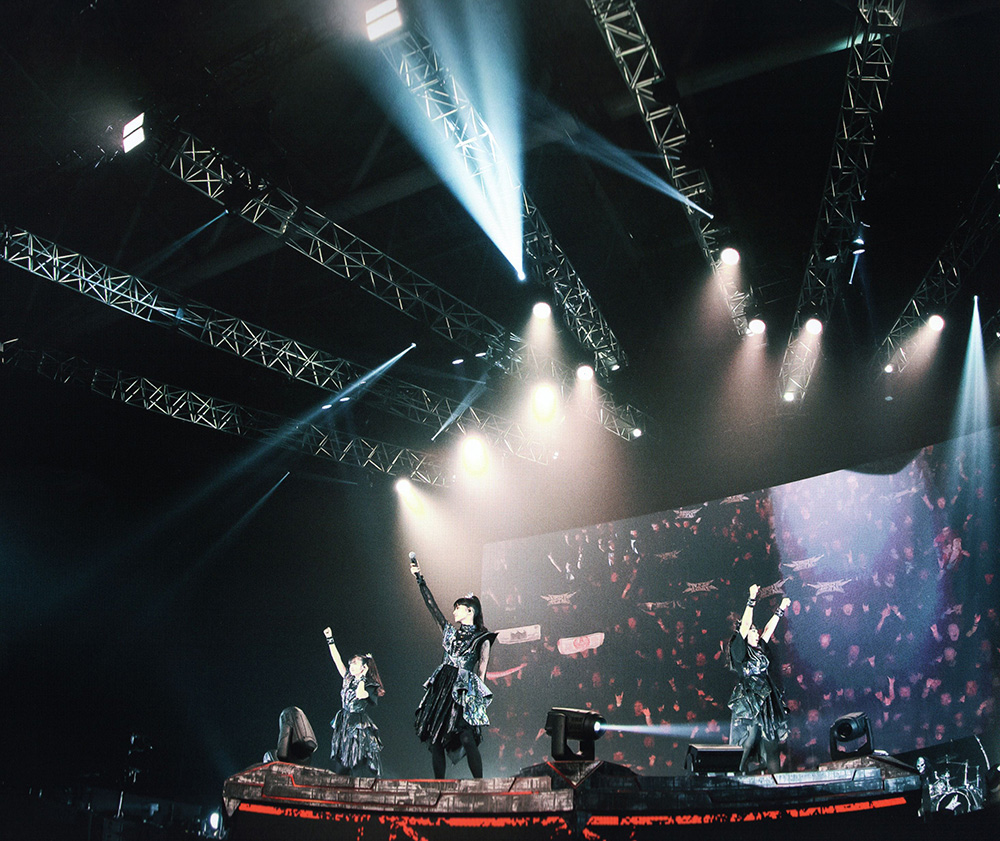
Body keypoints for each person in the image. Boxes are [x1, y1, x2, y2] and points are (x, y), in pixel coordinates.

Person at [410, 552, 497, 778]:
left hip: (464, 688)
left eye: (458, 607)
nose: (454, 611)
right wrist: (420, 578)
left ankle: (479, 782)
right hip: (442, 687)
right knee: (437, 738)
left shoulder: (482, 638)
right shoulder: (449, 633)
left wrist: (476, 698)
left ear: (471, 610)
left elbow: (482, 669)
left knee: (467, 736)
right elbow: (433, 608)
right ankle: (439, 785)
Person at [727, 584, 791, 773]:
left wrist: (781, 609)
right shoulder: (739, 650)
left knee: (770, 741)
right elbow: (745, 625)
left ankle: (776, 782)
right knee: (748, 739)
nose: (756, 632)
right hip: (749, 698)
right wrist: (752, 598)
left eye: (756, 631)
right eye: (753, 631)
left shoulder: (761, 647)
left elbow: (769, 629)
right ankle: (737, 774)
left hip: (766, 699)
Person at [323, 627, 384, 777]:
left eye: (355, 664)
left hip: (357, 725)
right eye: (351, 663)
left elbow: (360, 694)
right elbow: (337, 660)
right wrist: (330, 639)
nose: (351, 666)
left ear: (363, 667)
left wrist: (362, 677)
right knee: (341, 765)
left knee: (356, 762)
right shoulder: (347, 678)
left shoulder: (369, 685)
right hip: (344, 721)